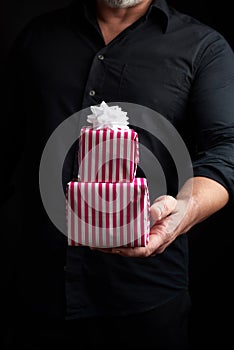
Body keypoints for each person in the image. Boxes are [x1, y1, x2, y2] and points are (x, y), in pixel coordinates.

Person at [2, 0, 234, 349]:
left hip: (146, 299)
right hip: (40, 291)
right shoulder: (39, 37)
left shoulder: (203, 46)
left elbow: (226, 149)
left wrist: (186, 208)